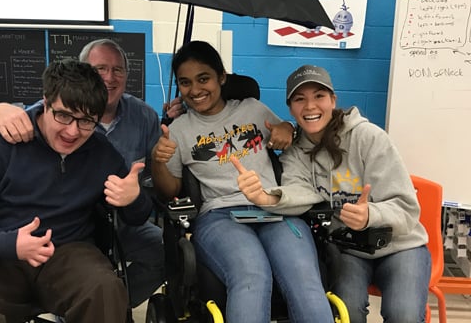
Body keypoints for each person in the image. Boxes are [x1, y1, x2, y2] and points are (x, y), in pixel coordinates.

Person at [0, 60, 152, 323]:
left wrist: (134, 198)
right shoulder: (3, 142)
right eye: (64, 115)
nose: (72, 131)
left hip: (68, 253)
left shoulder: (101, 152)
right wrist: (9, 243)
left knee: (105, 290)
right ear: (45, 104)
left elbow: (137, 217)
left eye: (86, 121)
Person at [0, 38, 178, 307]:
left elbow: (144, 196)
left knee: (163, 254)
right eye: (100, 68)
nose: (109, 77)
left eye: (118, 70)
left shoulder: (143, 117)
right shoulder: (43, 113)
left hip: (107, 225)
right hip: (50, 228)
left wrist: (139, 189)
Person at [151, 40, 334, 323]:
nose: (195, 90)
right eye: (185, 83)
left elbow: (287, 136)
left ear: (221, 77)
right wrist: (158, 160)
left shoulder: (253, 109)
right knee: (252, 273)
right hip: (220, 216)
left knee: (305, 279)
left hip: (274, 208)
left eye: (204, 79)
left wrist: (287, 129)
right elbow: (170, 190)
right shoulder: (178, 131)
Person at [233, 64, 431, 323]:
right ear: (290, 108)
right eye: (299, 99)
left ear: (333, 100)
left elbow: (407, 208)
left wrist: (370, 214)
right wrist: (265, 197)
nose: (310, 106)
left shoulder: (368, 137)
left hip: (401, 246)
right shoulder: (296, 152)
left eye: (319, 96)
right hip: (349, 250)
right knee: (346, 311)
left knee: (402, 314)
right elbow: (300, 192)